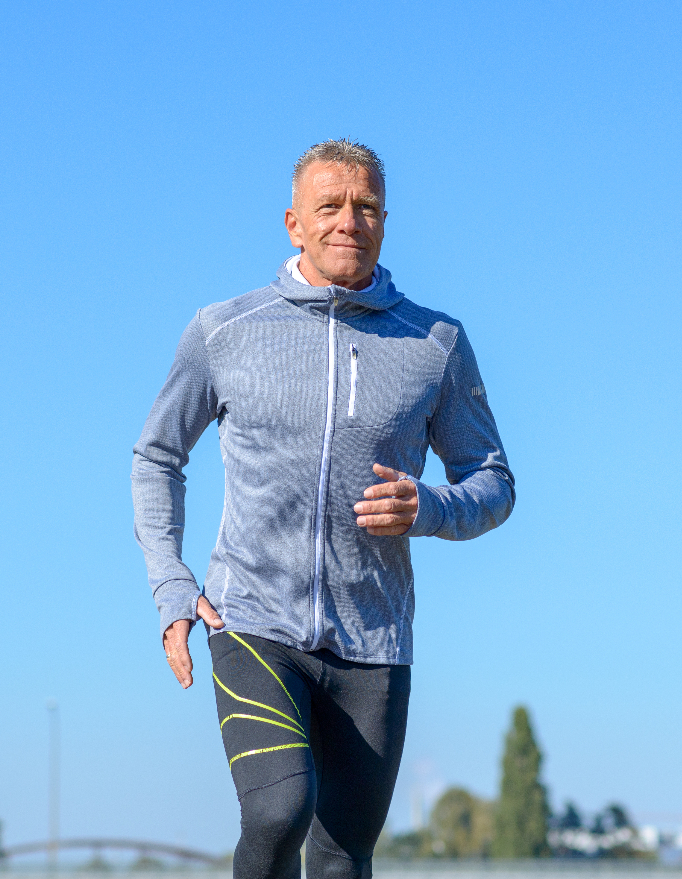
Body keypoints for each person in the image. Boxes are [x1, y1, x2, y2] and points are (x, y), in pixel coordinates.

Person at [131, 139, 514, 879]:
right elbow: (156, 457)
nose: (350, 221)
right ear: (293, 223)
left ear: (385, 219)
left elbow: (492, 479)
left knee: (343, 859)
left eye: (366, 206)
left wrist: (428, 505)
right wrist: (171, 581)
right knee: (279, 811)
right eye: (330, 206)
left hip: (374, 640)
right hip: (251, 620)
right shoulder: (224, 330)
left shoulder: (434, 342)